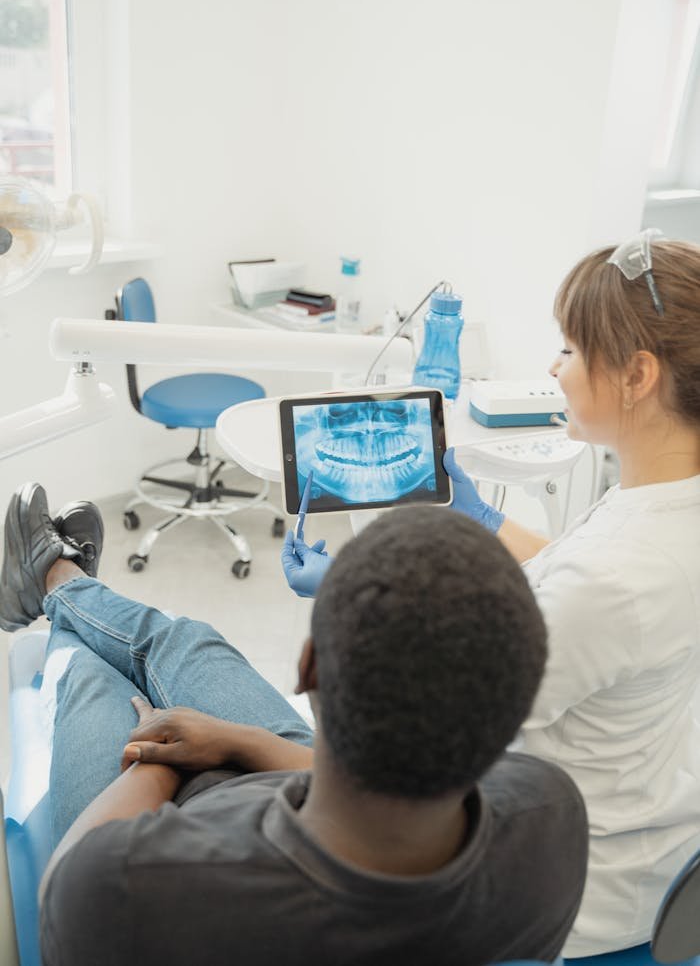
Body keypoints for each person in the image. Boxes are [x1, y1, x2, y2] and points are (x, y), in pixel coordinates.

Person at [284, 230, 700, 957]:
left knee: (220, 697)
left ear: (636, 376)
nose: (553, 366)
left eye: (569, 349)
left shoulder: (614, 576)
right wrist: (479, 517)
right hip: (646, 831)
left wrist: (346, 603)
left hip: (561, 887)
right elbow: (573, 589)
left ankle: (62, 586)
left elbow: (426, 726)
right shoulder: (667, 506)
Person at [0, 484, 587, 966]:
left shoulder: (121, 886)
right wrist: (237, 738)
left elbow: (65, 888)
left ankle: (57, 585)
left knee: (91, 673)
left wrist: (159, 763)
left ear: (306, 667)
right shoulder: (547, 813)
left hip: (159, 797)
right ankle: (63, 582)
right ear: (513, 711)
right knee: (185, 638)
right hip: (276, 767)